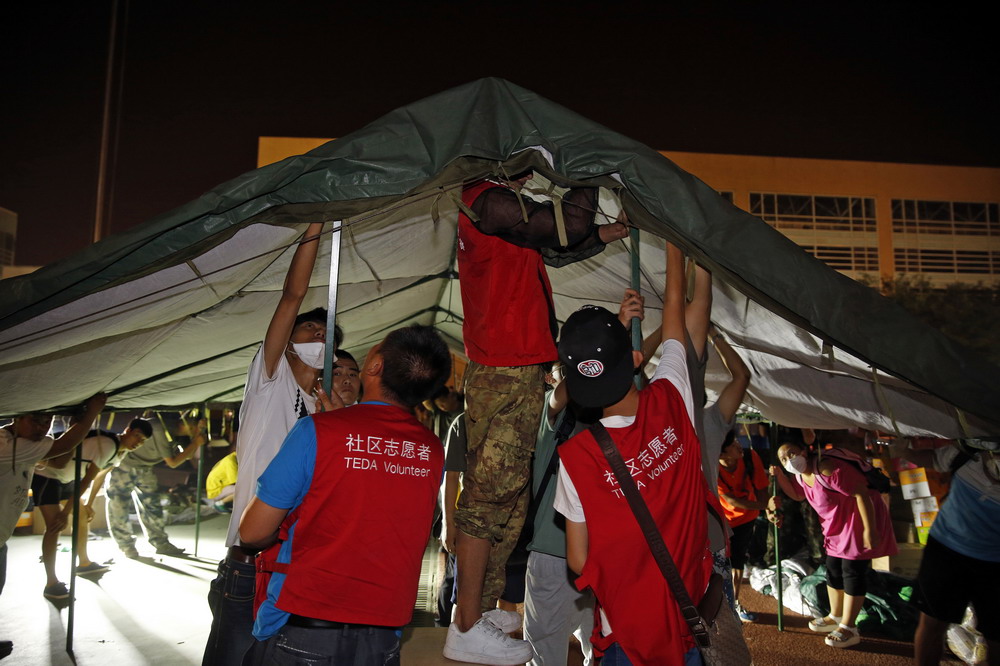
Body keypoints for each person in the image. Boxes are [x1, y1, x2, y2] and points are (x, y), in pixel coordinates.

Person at [446, 169, 627, 664]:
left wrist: (607, 232)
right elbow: (559, 226)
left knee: (509, 504)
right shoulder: (485, 201)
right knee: (487, 500)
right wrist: (586, 167)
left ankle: (478, 610)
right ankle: (463, 626)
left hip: (518, 368)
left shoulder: (504, 212)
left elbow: (554, 244)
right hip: (504, 370)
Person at [240, 324, 451, 665]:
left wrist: (335, 432)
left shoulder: (317, 431)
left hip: (303, 625)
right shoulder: (431, 450)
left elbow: (252, 532)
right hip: (382, 636)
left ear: (375, 366)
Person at [555, 241, 714, 665]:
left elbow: (578, 559)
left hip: (625, 632)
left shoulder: (577, 457)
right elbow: (679, 320)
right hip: (685, 620)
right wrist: (676, 250)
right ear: (638, 357)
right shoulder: (672, 401)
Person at [203, 221, 345, 666]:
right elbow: (292, 295)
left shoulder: (327, 408)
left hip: (297, 562)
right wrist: (316, 227)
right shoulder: (271, 379)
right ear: (285, 343)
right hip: (250, 557)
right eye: (308, 329)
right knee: (233, 657)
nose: (318, 336)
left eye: (327, 335)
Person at [523, 289, 644, 666]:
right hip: (553, 554)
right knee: (545, 655)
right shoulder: (553, 413)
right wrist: (615, 332)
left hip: (607, 556)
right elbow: (569, 389)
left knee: (607, 650)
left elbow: (624, 372)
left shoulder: (614, 418)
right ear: (550, 375)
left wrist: (618, 336)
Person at [0, 393, 106, 659]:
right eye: (36, 420)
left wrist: (74, 424)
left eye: (47, 421)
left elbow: (58, 459)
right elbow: (61, 448)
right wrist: (91, 413)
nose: (42, 427)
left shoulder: (25, 443)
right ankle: (51, 580)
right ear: (17, 417)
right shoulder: (4, 444)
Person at [772, 436, 897, 649]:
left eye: (792, 453)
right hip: (835, 529)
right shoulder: (802, 476)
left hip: (857, 523)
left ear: (804, 450)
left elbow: (862, 494)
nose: (789, 460)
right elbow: (798, 495)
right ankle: (835, 615)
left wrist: (870, 529)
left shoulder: (826, 468)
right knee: (833, 570)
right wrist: (779, 477)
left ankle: (849, 628)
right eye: (784, 459)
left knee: (852, 572)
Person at [891, 438, 1000, 665]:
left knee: (997, 636)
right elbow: (934, 459)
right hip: (946, 549)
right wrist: (904, 451)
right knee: (932, 622)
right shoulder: (972, 448)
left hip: (994, 561)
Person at [32, 416, 151, 598]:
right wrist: (65, 513)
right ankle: (51, 583)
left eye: (142, 441)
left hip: (67, 478)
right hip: (47, 475)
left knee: (80, 517)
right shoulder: (108, 445)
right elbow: (87, 480)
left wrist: (88, 504)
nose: (138, 443)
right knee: (55, 525)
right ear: (127, 430)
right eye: (137, 436)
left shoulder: (121, 451)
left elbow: (100, 477)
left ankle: (84, 563)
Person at [106, 415, 206, 558]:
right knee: (119, 506)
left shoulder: (176, 434)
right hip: (124, 465)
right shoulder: (160, 429)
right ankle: (126, 545)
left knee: (152, 506)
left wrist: (195, 439)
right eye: (198, 427)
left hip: (145, 467)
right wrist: (195, 443)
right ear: (187, 425)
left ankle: (160, 543)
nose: (202, 430)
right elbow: (173, 463)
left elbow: (187, 456)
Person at [716, 431, 776, 622]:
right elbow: (731, 500)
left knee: (738, 561)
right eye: (733, 446)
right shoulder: (712, 467)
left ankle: (735, 602)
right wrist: (765, 506)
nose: (738, 446)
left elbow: (760, 486)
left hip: (747, 519)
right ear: (722, 455)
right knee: (720, 562)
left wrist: (769, 510)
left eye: (736, 442)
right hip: (722, 520)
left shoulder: (750, 456)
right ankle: (720, 604)